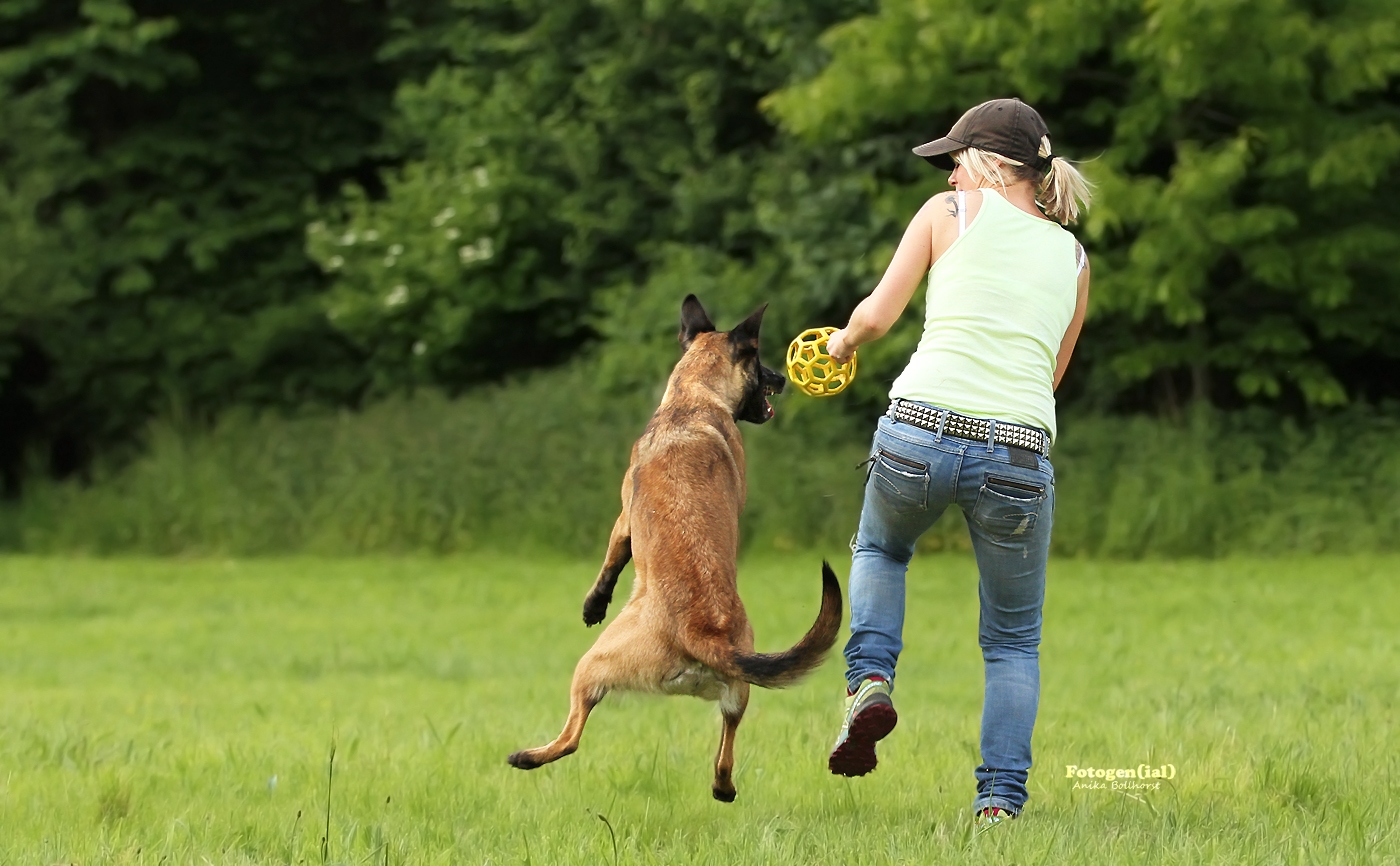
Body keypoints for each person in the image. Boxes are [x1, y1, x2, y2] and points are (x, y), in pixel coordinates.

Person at [822, 98, 1093, 831]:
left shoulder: (949, 212)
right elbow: (1049, 373)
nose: (948, 170)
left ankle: (870, 682)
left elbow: (877, 316)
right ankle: (999, 805)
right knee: (1012, 642)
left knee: (881, 547)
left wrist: (843, 345)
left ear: (987, 164)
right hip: (1018, 452)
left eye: (955, 158)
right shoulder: (1073, 258)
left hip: (919, 431)